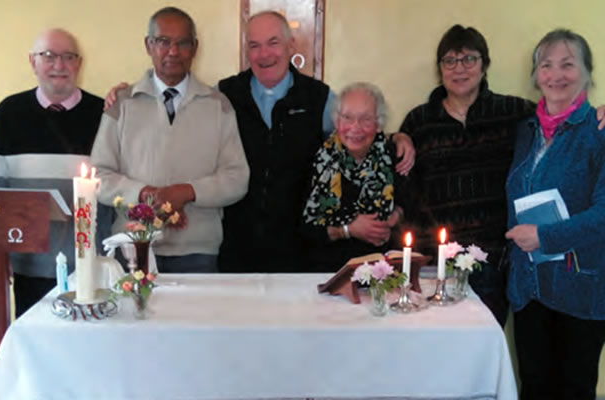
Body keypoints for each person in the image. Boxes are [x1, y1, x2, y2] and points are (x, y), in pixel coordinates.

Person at [104, 11, 415, 274]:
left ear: (291, 45)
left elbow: (353, 133)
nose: (264, 54)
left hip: (299, 250)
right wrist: (127, 92)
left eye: (273, 43)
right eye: (254, 46)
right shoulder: (223, 96)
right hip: (234, 248)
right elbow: (177, 102)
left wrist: (395, 137)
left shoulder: (318, 97)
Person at [399, 24, 605, 326]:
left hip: (495, 264)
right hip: (434, 263)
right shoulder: (418, 120)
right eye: (450, 61)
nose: (460, 68)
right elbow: (402, 178)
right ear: (440, 69)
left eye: (470, 59)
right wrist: (395, 136)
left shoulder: (515, 114)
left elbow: (562, 115)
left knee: (483, 356)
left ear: (484, 66)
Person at [505, 29, 605, 400]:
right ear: (535, 75)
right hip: (530, 288)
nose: (556, 75)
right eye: (546, 65)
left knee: (574, 391)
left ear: (587, 73)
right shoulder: (525, 130)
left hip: (582, 287)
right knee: (535, 389)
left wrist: (545, 237)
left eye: (567, 64)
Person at [91, 7, 249, 273]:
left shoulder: (217, 105)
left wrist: (186, 193)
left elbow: (237, 179)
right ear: (148, 45)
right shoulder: (122, 104)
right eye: (163, 41)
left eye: (182, 43)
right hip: (132, 246)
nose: (173, 52)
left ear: (195, 48)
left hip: (197, 251)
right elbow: (98, 178)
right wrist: (145, 195)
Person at [0, 28, 106, 317]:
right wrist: (0, 256)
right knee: (36, 352)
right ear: (32, 62)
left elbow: (113, 189)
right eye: (49, 56)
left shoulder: (103, 113)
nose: (59, 65)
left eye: (68, 57)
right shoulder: (8, 113)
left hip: (89, 267)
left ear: (79, 64)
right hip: (29, 265)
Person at [300, 83, 404, 272]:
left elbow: (414, 210)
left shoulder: (396, 156)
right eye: (347, 118)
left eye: (366, 119)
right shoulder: (316, 158)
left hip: (382, 275)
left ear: (379, 124)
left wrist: (394, 218)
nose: (355, 128)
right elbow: (303, 229)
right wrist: (347, 229)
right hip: (325, 274)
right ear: (336, 121)